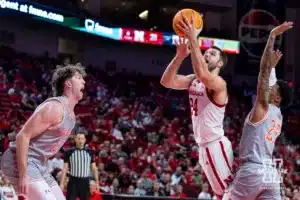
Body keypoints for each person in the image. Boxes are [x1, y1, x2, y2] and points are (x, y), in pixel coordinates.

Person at [160, 15, 233, 199]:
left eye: (212, 54)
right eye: (206, 52)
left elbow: (202, 72)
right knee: (219, 193)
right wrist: (179, 56)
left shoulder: (218, 84)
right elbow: (166, 81)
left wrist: (194, 38)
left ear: (220, 63)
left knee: (229, 193)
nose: (207, 54)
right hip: (203, 147)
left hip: (215, 145)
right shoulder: (194, 79)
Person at [223, 22, 293, 200]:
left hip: (251, 172)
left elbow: (263, 72)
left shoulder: (264, 105)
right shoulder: (278, 114)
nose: (270, 88)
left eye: (273, 88)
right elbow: (268, 75)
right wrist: (272, 67)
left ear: (277, 98)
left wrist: (271, 37)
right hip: (270, 175)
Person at [1, 65, 86, 200]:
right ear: (68, 84)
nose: (84, 81)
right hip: (20, 161)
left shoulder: (72, 117)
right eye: (79, 78)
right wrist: (23, 175)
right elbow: (22, 136)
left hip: (40, 165)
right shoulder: (55, 107)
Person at [60, 133, 99, 200]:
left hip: (85, 181)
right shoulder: (69, 152)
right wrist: (62, 183)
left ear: (85, 140)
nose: (80, 140)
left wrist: (97, 182)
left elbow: (94, 168)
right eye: (78, 138)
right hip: (73, 181)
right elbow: (65, 168)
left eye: (82, 138)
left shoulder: (90, 152)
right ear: (75, 140)